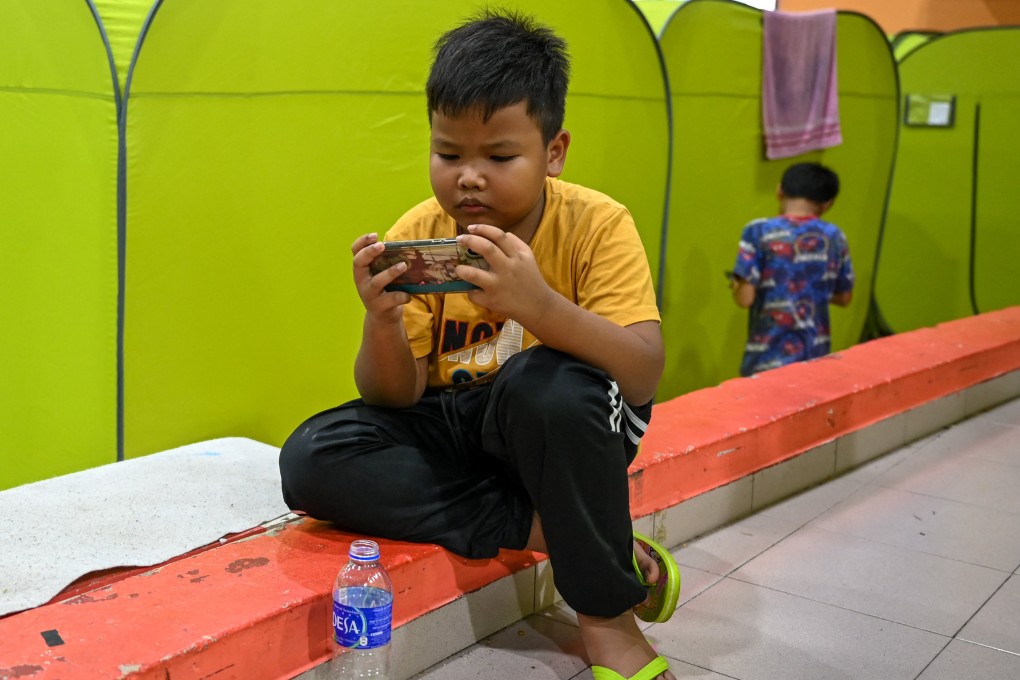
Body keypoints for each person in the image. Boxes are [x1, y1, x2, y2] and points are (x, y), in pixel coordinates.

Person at [278, 9, 680, 680]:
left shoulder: (596, 223)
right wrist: (379, 321)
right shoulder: (423, 228)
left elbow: (641, 374)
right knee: (313, 457)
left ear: (554, 152)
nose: (469, 177)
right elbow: (394, 396)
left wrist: (540, 306)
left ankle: (610, 621)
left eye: (499, 156)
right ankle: (576, 534)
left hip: (570, 424)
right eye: (449, 153)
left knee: (542, 382)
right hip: (466, 423)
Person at [729, 162, 854, 377]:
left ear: (779, 190)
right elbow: (844, 297)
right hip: (815, 358)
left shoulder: (757, 231)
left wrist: (736, 284)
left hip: (766, 359)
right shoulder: (835, 236)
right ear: (827, 203)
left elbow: (745, 299)